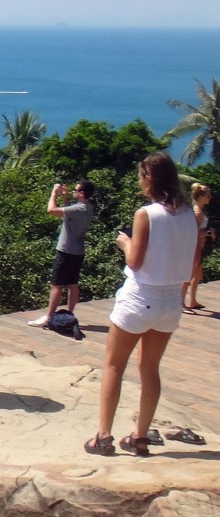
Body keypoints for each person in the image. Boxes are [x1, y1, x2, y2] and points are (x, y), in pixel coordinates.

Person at [85, 152, 200, 457]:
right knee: (150, 369)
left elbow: (135, 262)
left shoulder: (146, 214)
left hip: (140, 298)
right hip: (170, 301)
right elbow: (191, 260)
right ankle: (140, 437)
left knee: (114, 365)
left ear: (149, 178)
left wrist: (125, 243)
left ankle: (104, 436)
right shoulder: (189, 214)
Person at [29, 180, 96, 327]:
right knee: (73, 284)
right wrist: (65, 198)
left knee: (56, 285)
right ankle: (69, 314)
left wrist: (54, 193)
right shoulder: (87, 208)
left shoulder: (79, 208)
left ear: (81, 193)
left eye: (75, 190)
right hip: (78, 251)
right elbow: (69, 213)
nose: (73, 192)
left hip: (66, 250)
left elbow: (51, 210)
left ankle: (48, 317)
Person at [182, 183, 215, 313]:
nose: (210, 197)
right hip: (194, 247)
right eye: (208, 195)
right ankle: (181, 303)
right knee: (188, 276)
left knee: (197, 274)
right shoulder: (197, 212)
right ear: (201, 196)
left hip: (198, 246)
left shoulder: (197, 211)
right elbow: (194, 233)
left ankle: (192, 301)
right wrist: (208, 233)